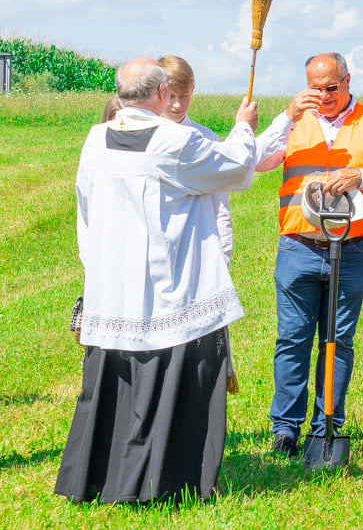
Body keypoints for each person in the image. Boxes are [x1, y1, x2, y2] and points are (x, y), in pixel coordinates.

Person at [54, 57, 262, 503]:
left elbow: (85, 206)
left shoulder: (97, 138)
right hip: (168, 285)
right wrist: (244, 126)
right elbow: (236, 170)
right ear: (164, 94)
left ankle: (102, 479)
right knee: (172, 376)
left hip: (114, 283)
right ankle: (164, 481)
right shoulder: (175, 140)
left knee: (115, 386)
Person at [255, 52, 363, 457]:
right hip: (298, 247)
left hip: (353, 248)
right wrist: (287, 115)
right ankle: (285, 429)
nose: (323, 96)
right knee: (292, 339)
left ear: (347, 80)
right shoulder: (294, 121)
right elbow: (254, 162)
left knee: (338, 340)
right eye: (315, 88)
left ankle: (327, 423)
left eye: (332, 87)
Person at [158, 55, 239, 394]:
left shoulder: (205, 138)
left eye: (186, 96)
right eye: (172, 96)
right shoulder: (143, 138)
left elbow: (221, 207)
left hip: (197, 254)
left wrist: (223, 253)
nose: (178, 105)